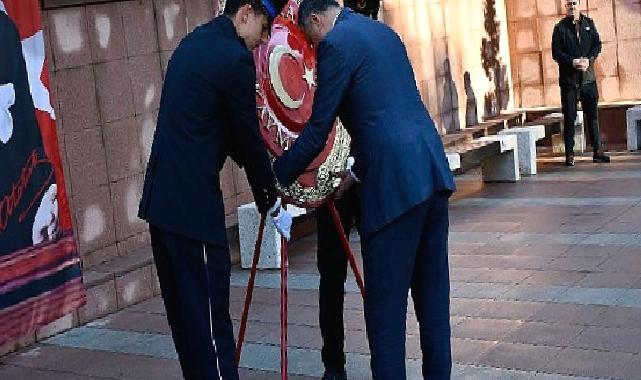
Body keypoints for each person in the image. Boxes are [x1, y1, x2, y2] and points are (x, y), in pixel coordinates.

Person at [273, 1, 456, 379]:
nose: (313, 48)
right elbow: (382, 112)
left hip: (394, 191)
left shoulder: (336, 45)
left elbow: (318, 129)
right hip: (430, 171)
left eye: (310, 38)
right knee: (433, 305)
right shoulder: (383, 32)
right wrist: (353, 174)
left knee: (385, 318)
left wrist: (277, 175)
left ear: (315, 20)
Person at [137, 1, 291, 379]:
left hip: (162, 208)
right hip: (194, 216)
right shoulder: (234, 59)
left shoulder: (193, 44)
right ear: (245, 13)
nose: (265, 39)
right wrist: (271, 201)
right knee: (210, 328)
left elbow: (219, 131)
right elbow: (247, 137)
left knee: (187, 328)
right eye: (265, 26)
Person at [552, 0, 610, 167]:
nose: (572, 6)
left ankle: (597, 151)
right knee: (569, 117)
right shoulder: (560, 28)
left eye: (574, 3)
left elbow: (597, 44)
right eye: (569, 4)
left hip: (588, 80)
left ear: (579, 5)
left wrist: (589, 60)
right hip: (569, 83)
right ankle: (569, 155)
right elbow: (556, 53)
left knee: (592, 116)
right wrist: (572, 62)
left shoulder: (588, 23)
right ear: (566, 7)